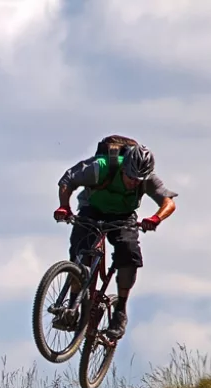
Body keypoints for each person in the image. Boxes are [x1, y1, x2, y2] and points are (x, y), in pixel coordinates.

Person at [52, 143, 178, 339]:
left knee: (129, 253)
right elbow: (68, 179)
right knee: (80, 256)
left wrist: (155, 219)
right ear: (123, 168)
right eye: (130, 177)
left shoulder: (147, 179)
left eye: (138, 180)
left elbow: (168, 202)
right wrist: (64, 207)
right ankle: (72, 307)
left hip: (124, 216)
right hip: (92, 209)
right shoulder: (101, 167)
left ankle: (120, 311)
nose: (133, 183)